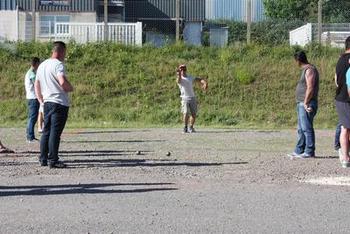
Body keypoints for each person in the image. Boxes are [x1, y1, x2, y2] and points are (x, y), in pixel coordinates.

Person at [35, 41, 73, 168]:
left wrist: (40, 98)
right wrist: (70, 87)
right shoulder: (58, 65)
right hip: (59, 102)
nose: (64, 55)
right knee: (55, 133)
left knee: (46, 131)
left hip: (47, 102)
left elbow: (37, 84)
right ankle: (53, 160)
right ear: (61, 51)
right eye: (64, 53)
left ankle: (43, 158)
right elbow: (62, 81)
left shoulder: (42, 65)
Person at [289, 51, 319, 158]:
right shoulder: (306, 70)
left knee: (306, 128)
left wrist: (306, 102)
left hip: (306, 103)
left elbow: (310, 87)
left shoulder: (309, 70)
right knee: (301, 128)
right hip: (301, 102)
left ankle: (309, 151)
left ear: (298, 61)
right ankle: (299, 150)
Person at [176, 64, 208, 133]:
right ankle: (185, 127)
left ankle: (191, 127)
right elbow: (178, 81)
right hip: (184, 98)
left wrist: (204, 83)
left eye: (184, 69)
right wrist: (178, 75)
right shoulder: (180, 78)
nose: (183, 71)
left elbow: (199, 79)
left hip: (192, 97)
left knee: (193, 114)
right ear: (179, 71)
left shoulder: (190, 77)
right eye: (181, 69)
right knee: (186, 113)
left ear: (186, 70)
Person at [334, 36, 350, 168]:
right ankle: (345, 156)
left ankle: (345, 157)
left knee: (345, 128)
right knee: (345, 128)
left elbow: (336, 80)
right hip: (347, 98)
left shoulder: (339, 60)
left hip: (340, 97)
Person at [25, 57, 40, 142]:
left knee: (32, 117)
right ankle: (30, 137)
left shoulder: (30, 72)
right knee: (32, 118)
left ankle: (30, 135)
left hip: (31, 97)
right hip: (33, 97)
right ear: (36, 63)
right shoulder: (32, 73)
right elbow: (36, 84)